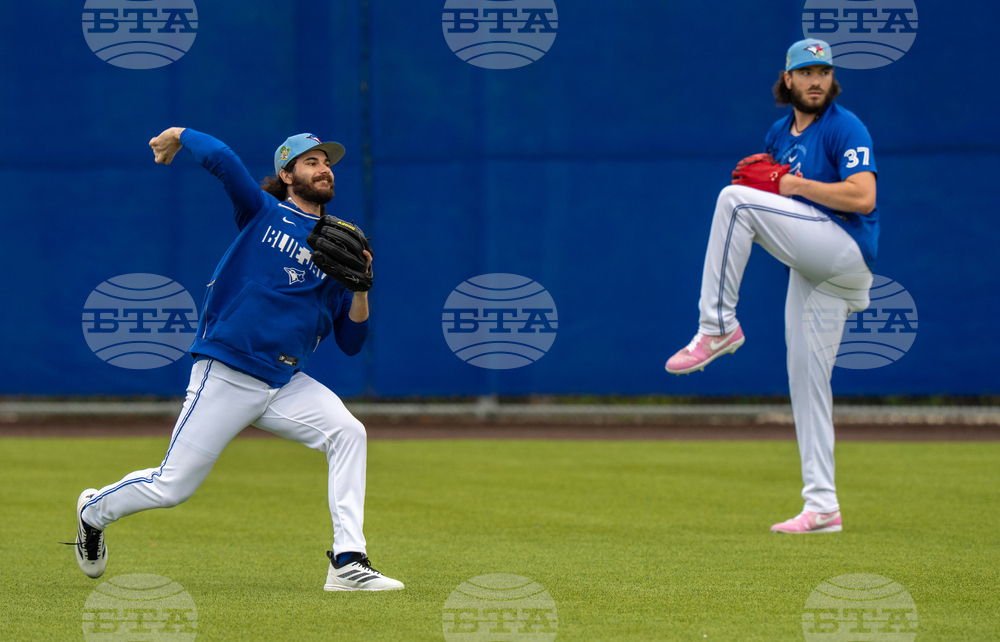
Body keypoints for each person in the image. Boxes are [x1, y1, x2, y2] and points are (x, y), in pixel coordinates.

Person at [70, 127, 404, 590]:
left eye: (326, 162)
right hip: (228, 371)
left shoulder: (337, 248)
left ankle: (348, 562)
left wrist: (362, 287)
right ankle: (92, 511)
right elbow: (224, 160)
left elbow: (351, 340)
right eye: (310, 162)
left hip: (283, 382)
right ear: (287, 174)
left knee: (348, 432)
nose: (323, 168)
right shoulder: (264, 213)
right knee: (172, 486)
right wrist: (179, 134)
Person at [665, 39, 880, 534]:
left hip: (846, 250)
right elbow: (776, 207)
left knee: (733, 201)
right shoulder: (778, 134)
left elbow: (864, 198)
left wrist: (792, 185)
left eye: (823, 72)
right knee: (807, 382)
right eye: (805, 72)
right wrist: (778, 190)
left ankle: (716, 325)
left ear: (832, 79)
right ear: (788, 79)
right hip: (812, 271)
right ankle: (823, 507)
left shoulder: (845, 126)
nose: (815, 81)